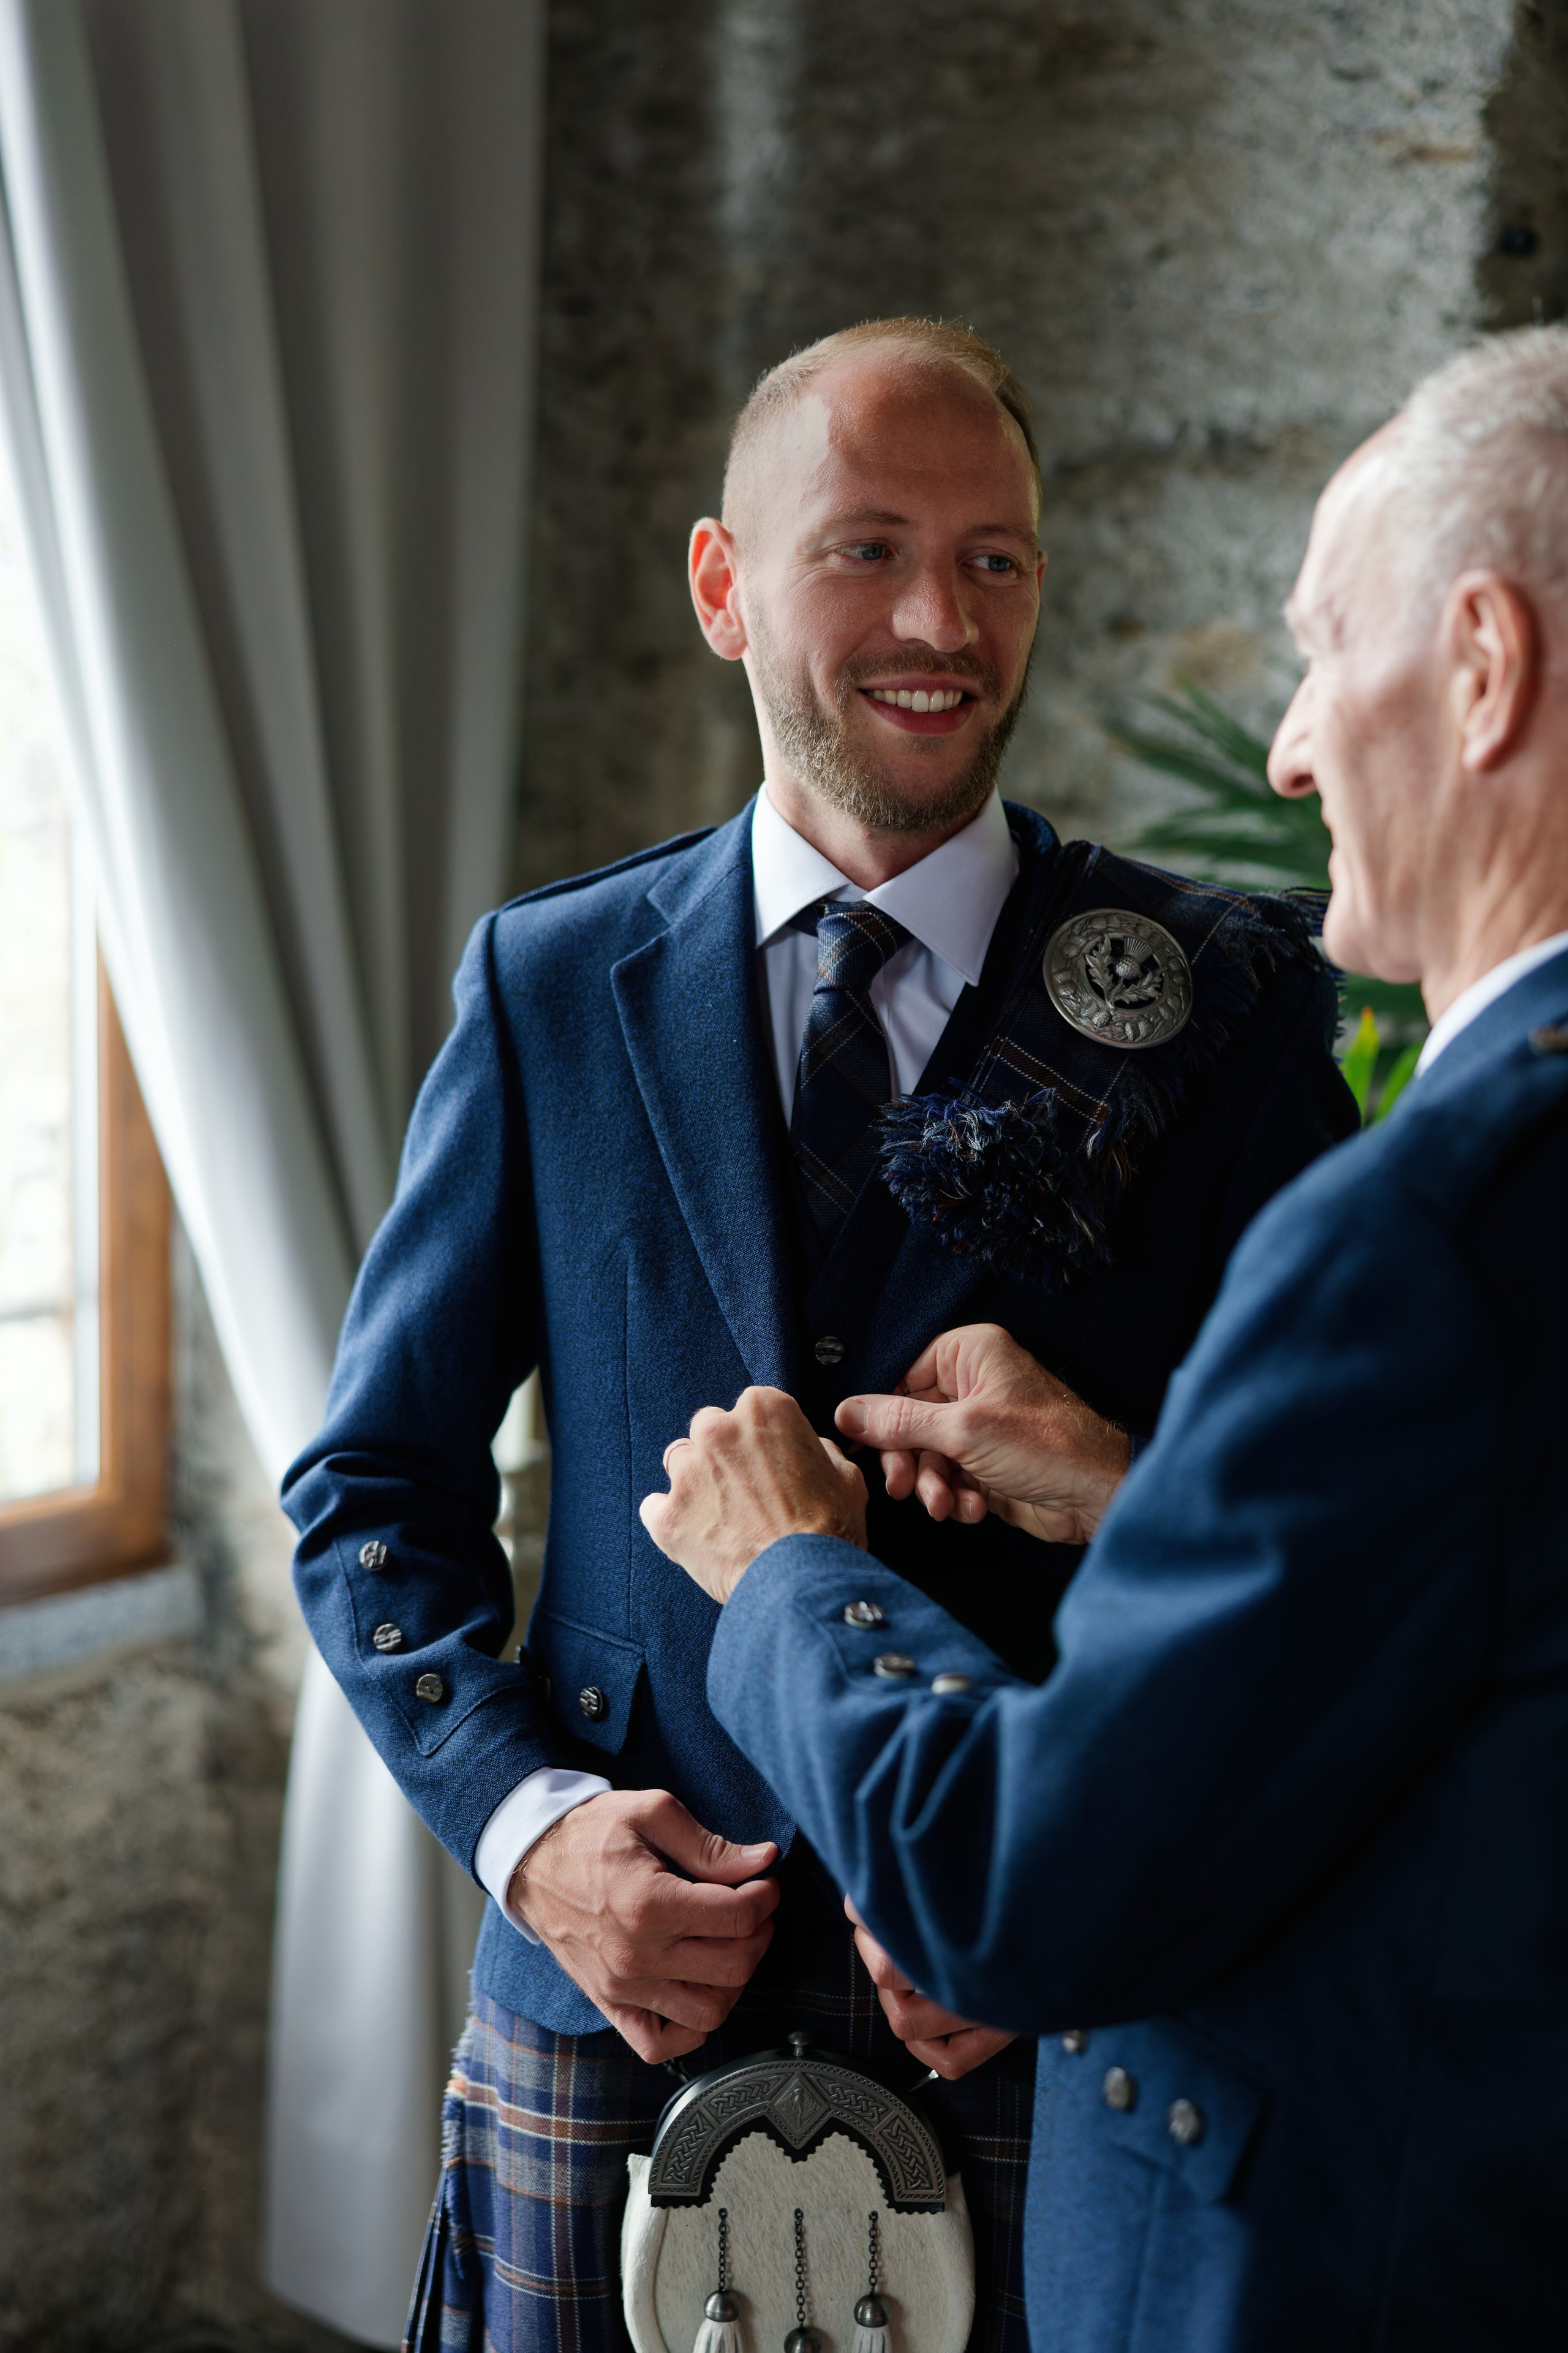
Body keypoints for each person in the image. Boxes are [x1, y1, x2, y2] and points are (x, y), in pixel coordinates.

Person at [282, 317, 1354, 2352]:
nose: (939, 618)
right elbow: (371, 1488)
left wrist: (1097, 1882)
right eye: (864, 548)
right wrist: (534, 1836)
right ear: (724, 587)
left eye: (996, 557)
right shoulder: (549, 984)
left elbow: (1305, 1547)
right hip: (615, 1995)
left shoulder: (1222, 1006)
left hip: (1038, 2003)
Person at [639, 324, 1568, 2352]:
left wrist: (789, 1569)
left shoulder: (1419, 1232)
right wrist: (1155, 1495)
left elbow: (1025, 1883)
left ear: (1486, 668)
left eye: (1330, 649)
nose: (1292, 748)